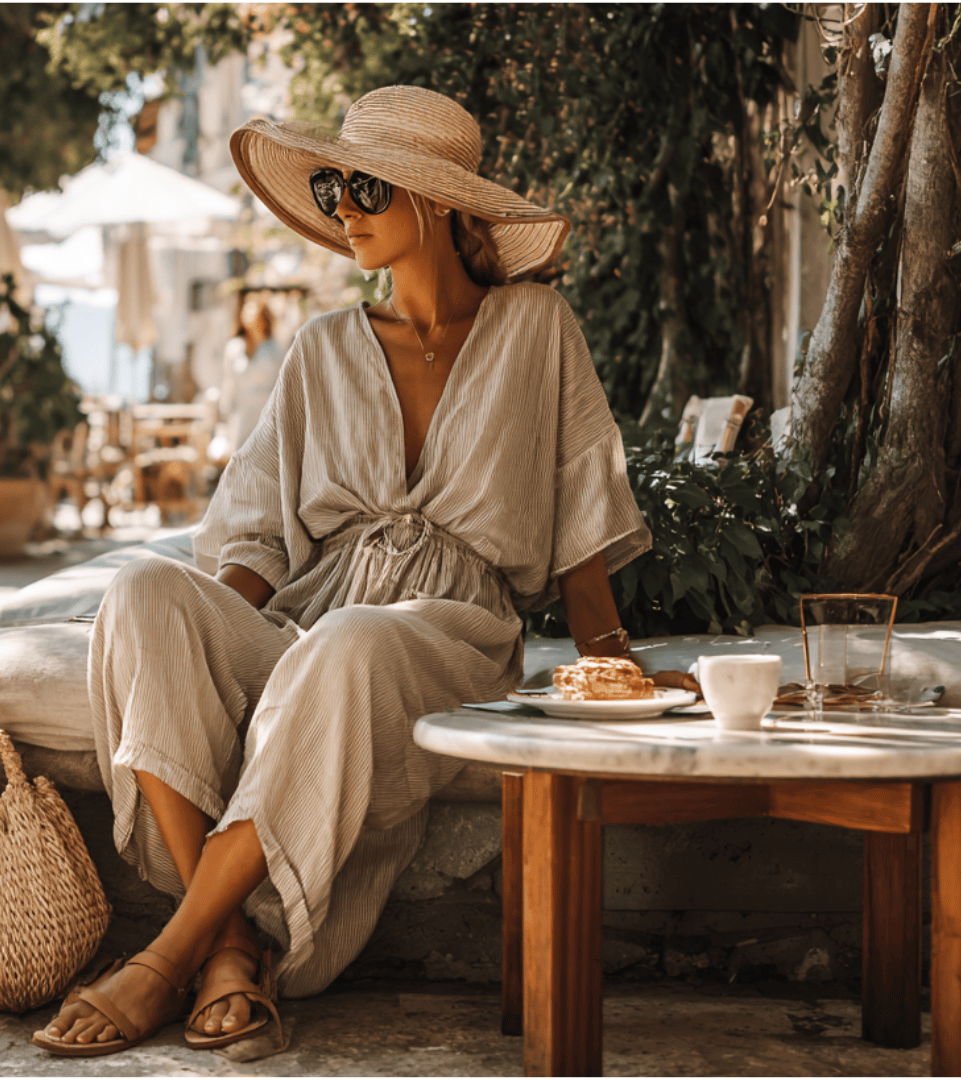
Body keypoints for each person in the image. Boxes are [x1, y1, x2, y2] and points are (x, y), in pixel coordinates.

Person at [33, 85, 650, 1057]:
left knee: (353, 643)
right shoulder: (321, 350)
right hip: (313, 628)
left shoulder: (538, 330)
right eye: (330, 189)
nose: (342, 212)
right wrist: (208, 655)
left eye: (364, 188)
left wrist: (620, 664)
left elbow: (580, 527)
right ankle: (231, 948)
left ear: (438, 201)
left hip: (453, 638)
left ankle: (167, 955)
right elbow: (249, 548)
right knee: (147, 589)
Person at [215, 294, 282, 456]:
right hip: (242, 414)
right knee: (241, 460)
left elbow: (281, 384)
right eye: (248, 311)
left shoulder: (275, 348)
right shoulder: (234, 347)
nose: (252, 316)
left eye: (256, 312)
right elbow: (229, 383)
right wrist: (223, 423)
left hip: (268, 414)